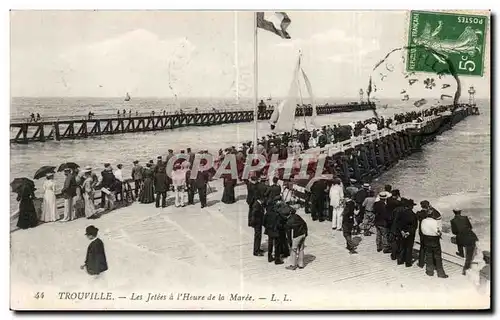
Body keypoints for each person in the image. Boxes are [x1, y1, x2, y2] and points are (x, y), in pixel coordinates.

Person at [420, 210, 448, 278]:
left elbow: (422, 230)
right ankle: (440, 273)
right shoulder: (435, 222)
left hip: (426, 239)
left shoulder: (423, 221)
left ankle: (430, 271)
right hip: (434, 240)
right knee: (437, 256)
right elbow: (438, 232)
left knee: (429, 255)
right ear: (433, 215)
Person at [450, 208, 478, 275]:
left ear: (454, 212)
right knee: (470, 255)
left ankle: (461, 253)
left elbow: (454, 232)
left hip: (462, 239)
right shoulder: (465, 218)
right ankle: (466, 269)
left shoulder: (452, 221)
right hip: (471, 236)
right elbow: (470, 227)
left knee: (458, 239)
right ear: (460, 212)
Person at [392, 198, 418, 267]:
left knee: (402, 246)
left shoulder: (401, 213)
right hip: (410, 234)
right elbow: (414, 226)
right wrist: (408, 233)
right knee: (409, 247)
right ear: (411, 206)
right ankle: (408, 262)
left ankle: (400, 260)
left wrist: (402, 231)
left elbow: (398, 223)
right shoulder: (413, 215)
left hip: (402, 233)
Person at [263, 196, 284, 265]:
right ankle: (277, 259)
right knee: (277, 245)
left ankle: (269, 257)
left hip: (269, 231)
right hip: (276, 231)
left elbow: (263, 222)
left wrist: (267, 227)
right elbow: (279, 224)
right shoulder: (277, 214)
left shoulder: (267, 213)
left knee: (270, 244)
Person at [249, 192, 265, 257]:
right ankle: (256, 251)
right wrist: (253, 223)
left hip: (258, 222)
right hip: (257, 223)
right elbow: (253, 214)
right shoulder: (256, 204)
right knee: (257, 237)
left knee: (259, 236)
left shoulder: (258, 203)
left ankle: (258, 248)